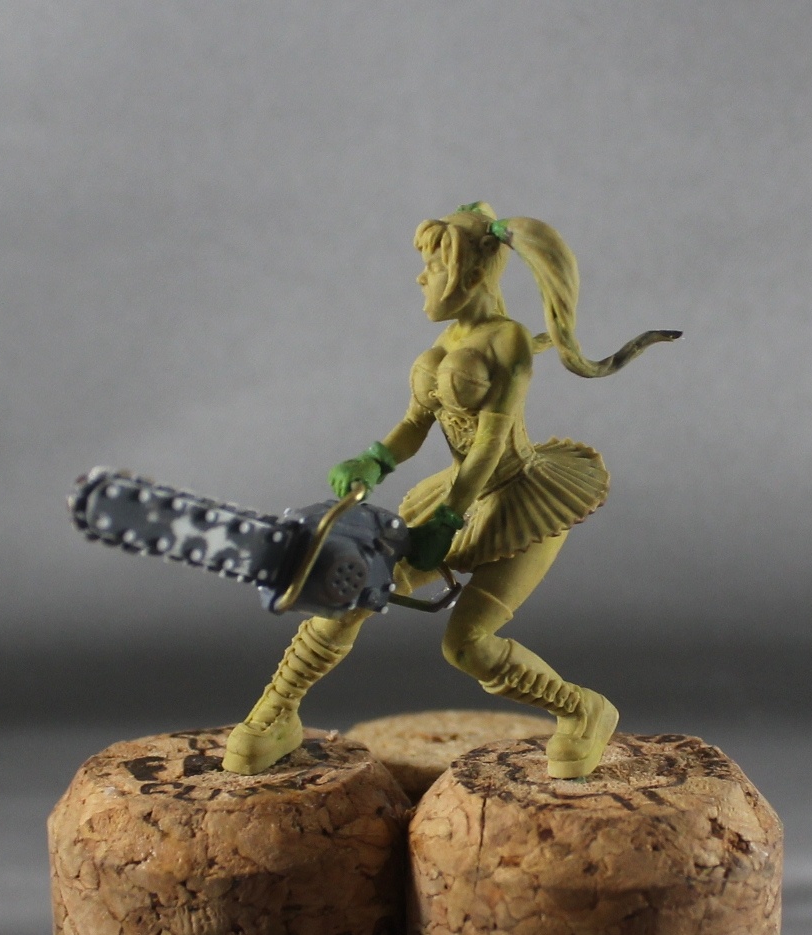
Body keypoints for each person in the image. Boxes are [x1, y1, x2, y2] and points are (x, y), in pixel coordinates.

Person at [223, 202, 679, 779]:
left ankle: (583, 710)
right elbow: (414, 426)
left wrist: (447, 520)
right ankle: (276, 712)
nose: (421, 279)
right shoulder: (440, 348)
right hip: (457, 498)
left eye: (434, 267)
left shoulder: (507, 341)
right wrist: (374, 460)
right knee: (353, 590)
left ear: (472, 274)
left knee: (467, 645)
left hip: (521, 501)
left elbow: (490, 445)